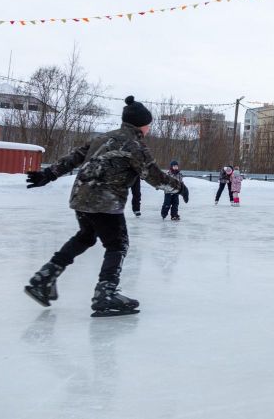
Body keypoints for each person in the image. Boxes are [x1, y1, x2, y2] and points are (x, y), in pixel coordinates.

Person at [23, 96, 188, 317]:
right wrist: (178, 187)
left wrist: (49, 174)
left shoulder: (104, 138)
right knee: (117, 244)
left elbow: (74, 157)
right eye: (149, 123)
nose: (150, 127)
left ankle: (44, 278)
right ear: (141, 124)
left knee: (85, 237)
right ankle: (106, 294)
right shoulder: (135, 145)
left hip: (81, 197)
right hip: (105, 200)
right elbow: (154, 177)